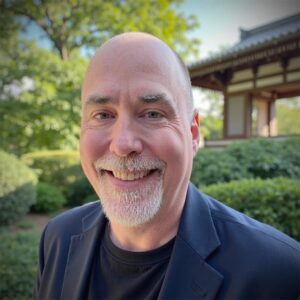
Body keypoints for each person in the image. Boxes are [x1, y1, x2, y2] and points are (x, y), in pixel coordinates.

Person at [34, 32, 300, 300]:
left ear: (193, 134)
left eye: (152, 114)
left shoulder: (280, 273)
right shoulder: (58, 239)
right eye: (102, 115)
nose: (123, 144)